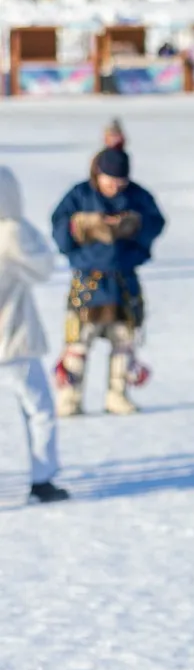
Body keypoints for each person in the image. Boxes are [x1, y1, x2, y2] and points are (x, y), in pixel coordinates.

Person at [51, 149, 165, 417]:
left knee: (124, 341)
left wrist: (135, 238)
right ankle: (69, 398)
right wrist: (82, 234)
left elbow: (155, 223)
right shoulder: (80, 195)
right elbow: (59, 227)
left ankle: (117, 395)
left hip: (123, 281)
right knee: (78, 342)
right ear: (98, 173)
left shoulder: (137, 196)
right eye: (109, 179)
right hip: (88, 281)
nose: (114, 186)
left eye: (120, 181)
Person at [0, 167, 67, 502]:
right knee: (38, 408)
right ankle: (42, 479)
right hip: (12, 340)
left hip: (13, 339)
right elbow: (43, 267)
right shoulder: (12, 233)